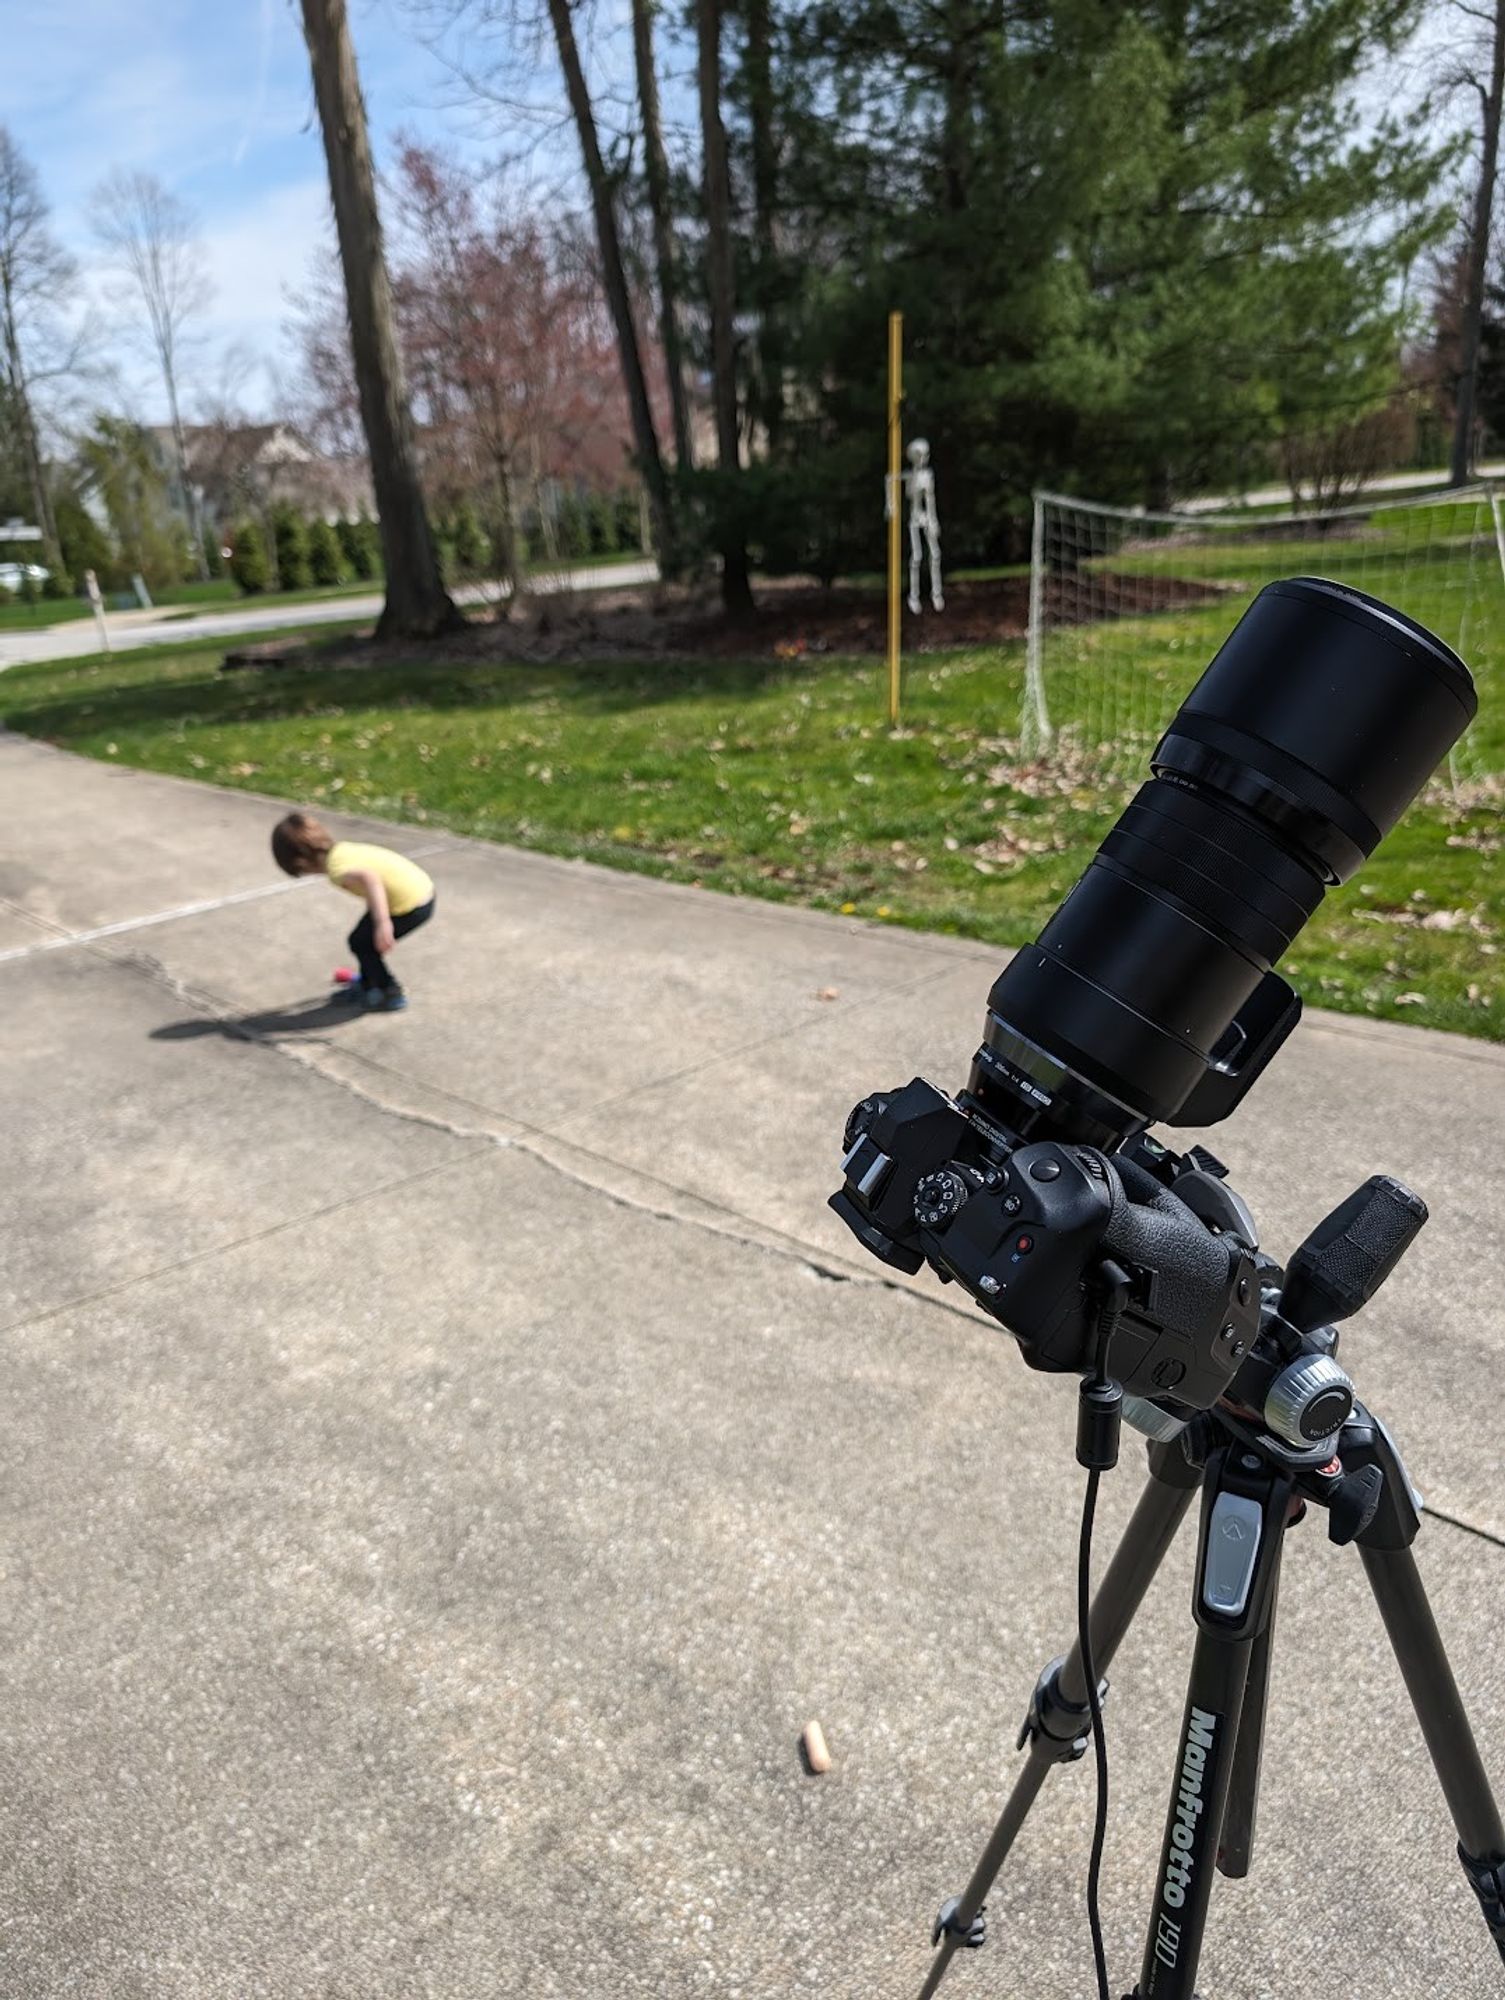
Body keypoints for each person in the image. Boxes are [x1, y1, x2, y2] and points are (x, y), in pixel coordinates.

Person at [271, 811, 435, 1012]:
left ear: (301, 862)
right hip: (421, 889)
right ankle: (369, 982)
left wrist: (383, 922)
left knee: (362, 944)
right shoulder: (342, 850)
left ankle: (390, 990)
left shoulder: (337, 872)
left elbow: (370, 878)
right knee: (361, 939)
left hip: (410, 906)